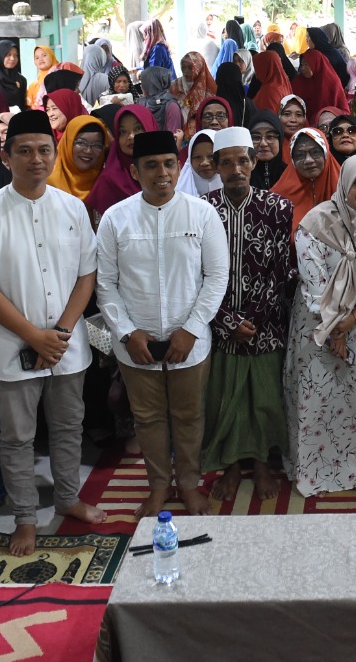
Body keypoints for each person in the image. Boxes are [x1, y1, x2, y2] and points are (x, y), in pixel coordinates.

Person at [0, 109, 103, 557]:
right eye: (24, 151)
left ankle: (67, 497)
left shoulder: (71, 208)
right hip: (11, 346)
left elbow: (87, 275)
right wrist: (32, 336)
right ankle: (24, 518)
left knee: (67, 426)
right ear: (8, 155)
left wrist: (58, 332)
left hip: (65, 346)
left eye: (44, 150)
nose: (36, 160)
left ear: (53, 152)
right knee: (18, 436)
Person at [96, 130, 230, 518]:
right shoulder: (115, 219)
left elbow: (216, 276)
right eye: (151, 165)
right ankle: (158, 486)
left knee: (189, 416)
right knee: (148, 418)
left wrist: (191, 328)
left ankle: (188, 484)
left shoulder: (202, 213)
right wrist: (126, 332)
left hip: (190, 339)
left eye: (169, 164)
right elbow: (105, 283)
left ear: (178, 166)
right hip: (134, 342)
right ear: (135, 172)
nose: (162, 173)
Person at [284, 154, 356, 497]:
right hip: (317, 326)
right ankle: (317, 473)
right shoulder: (316, 222)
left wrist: (351, 321)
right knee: (319, 398)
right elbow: (313, 279)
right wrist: (333, 327)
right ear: (344, 183)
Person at [203, 126, 297, 502]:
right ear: (216, 167)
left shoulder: (278, 208)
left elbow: (282, 269)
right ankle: (229, 467)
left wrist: (253, 320)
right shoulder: (203, 210)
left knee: (264, 398)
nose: (236, 169)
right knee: (226, 396)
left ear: (255, 162)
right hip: (218, 324)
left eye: (243, 160)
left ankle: (260, 465)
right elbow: (198, 271)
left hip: (266, 323)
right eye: (227, 163)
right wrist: (226, 322)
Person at [84, 105, 157, 215]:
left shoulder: (167, 170)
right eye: (122, 132)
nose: (131, 136)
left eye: (138, 129)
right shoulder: (108, 182)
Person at [272, 127, 340, 233]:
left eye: (315, 152)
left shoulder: (346, 189)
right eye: (300, 155)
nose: (308, 160)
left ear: (326, 153)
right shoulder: (276, 199)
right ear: (292, 160)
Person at [48, 114, 109, 205]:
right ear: (68, 143)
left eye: (97, 145)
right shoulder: (48, 185)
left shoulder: (106, 183)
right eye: (81, 143)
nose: (88, 151)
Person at [138, 66, 184, 142]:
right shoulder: (142, 103)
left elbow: (173, 139)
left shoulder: (171, 106)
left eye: (143, 82)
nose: (141, 86)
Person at [170, 50, 218, 116]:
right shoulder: (175, 85)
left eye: (190, 68)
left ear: (199, 67)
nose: (186, 72)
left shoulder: (209, 87)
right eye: (183, 67)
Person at [177, 128, 222, 197]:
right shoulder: (178, 194)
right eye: (197, 157)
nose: (204, 163)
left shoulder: (235, 190)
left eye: (211, 156)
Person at [0, 40, 27, 111]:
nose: (13, 59)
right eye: (8, 55)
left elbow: (23, 105)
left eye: (15, 55)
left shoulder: (21, 80)